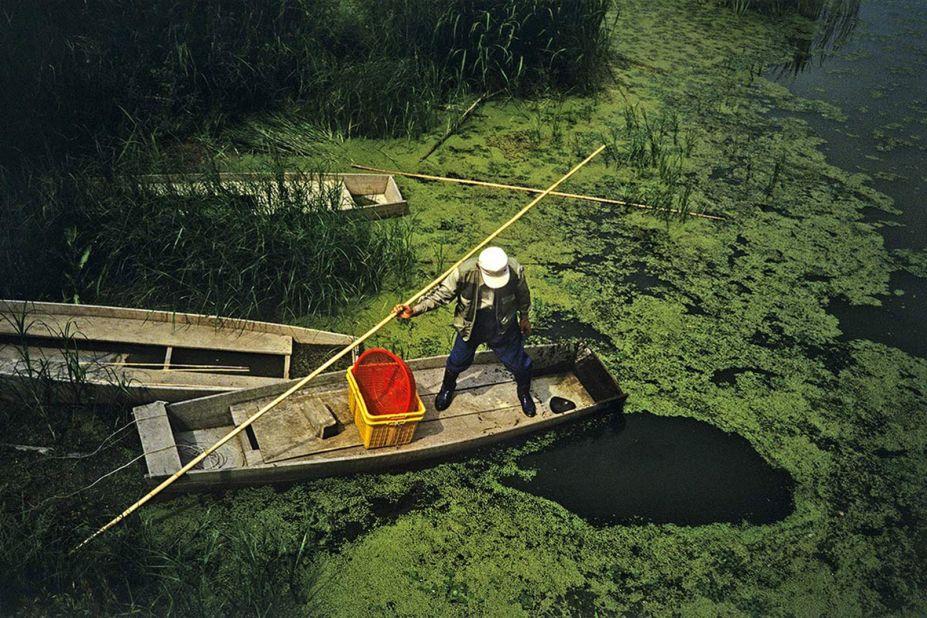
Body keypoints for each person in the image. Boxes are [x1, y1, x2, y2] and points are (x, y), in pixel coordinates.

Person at [394, 246, 536, 416]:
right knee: (457, 360)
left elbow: (523, 295)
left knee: (519, 363)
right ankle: (447, 388)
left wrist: (525, 317)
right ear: (480, 269)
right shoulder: (463, 272)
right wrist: (415, 310)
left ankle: (524, 393)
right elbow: (441, 295)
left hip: (503, 324)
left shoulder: (514, 270)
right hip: (471, 324)